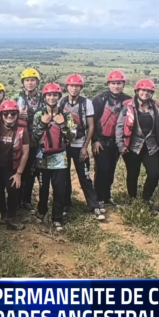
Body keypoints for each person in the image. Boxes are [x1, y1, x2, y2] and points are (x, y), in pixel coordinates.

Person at [116, 79, 159, 215]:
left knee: (155, 174)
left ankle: (146, 199)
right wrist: (120, 145)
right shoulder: (128, 107)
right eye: (143, 90)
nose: (145, 93)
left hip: (151, 147)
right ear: (137, 91)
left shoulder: (156, 108)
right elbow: (120, 126)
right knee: (133, 174)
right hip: (132, 147)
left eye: (148, 91)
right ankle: (132, 199)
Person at [32, 83, 76, 231]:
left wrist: (62, 124)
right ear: (45, 97)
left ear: (59, 97)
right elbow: (33, 138)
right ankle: (42, 211)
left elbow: (72, 136)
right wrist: (42, 124)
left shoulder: (66, 115)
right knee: (43, 188)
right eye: (49, 95)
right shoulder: (38, 115)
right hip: (42, 157)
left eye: (55, 95)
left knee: (59, 189)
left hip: (60, 158)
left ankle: (57, 218)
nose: (52, 98)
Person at [59, 73, 104, 220]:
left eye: (77, 86)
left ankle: (94, 205)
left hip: (79, 144)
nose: (74, 89)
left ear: (81, 88)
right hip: (64, 145)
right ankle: (65, 204)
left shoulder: (86, 103)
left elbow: (91, 126)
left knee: (84, 176)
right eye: (71, 86)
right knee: (64, 176)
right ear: (67, 87)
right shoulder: (61, 102)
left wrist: (85, 147)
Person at [0, 100, 29, 230]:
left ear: (17, 115)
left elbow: (25, 153)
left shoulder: (22, 130)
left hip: (12, 166)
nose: (9, 116)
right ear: (1, 115)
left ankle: (12, 217)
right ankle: (3, 214)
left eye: (13, 114)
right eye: (6, 114)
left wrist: (19, 173)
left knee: (13, 189)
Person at [92, 70, 132, 208]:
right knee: (101, 169)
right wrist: (94, 140)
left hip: (116, 141)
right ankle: (98, 198)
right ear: (108, 84)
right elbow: (92, 121)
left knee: (111, 169)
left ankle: (107, 196)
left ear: (123, 84)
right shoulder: (99, 99)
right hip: (101, 141)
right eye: (113, 83)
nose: (116, 86)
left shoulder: (128, 100)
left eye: (119, 83)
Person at [16, 68, 46, 214]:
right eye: (27, 80)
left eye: (32, 80)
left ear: (37, 82)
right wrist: (17, 114)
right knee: (19, 169)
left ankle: (27, 200)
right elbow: (6, 114)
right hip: (21, 140)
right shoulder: (17, 97)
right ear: (23, 82)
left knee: (32, 171)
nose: (30, 83)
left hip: (38, 141)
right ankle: (16, 200)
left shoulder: (43, 98)